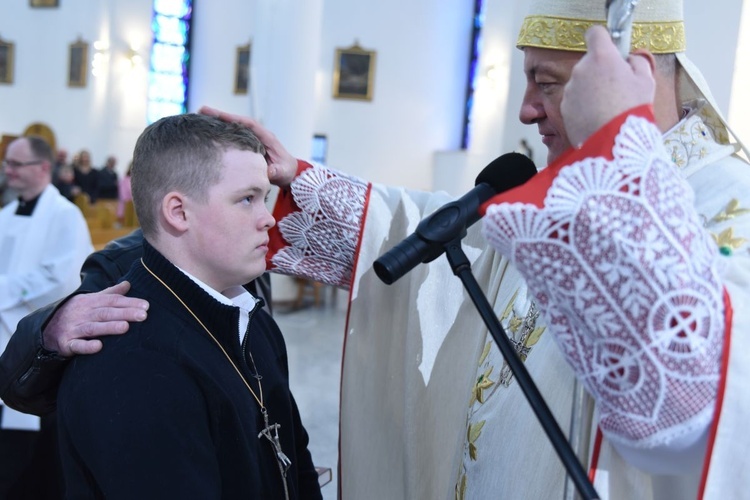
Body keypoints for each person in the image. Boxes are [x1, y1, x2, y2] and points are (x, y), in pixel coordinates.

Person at [2, 0, 749, 498]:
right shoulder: (566, 188)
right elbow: (432, 234)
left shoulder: (725, 210)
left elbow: (685, 404)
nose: (525, 109)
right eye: (248, 201)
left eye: (547, 84)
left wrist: (616, 146)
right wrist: (297, 186)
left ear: (632, 82)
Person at [56, 113, 320, 499]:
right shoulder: (133, 364)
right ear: (178, 212)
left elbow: (297, 461)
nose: (268, 219)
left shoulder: (256, 323)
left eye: (264, 198)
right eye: (246, 199)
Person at [0, 135, 92, 499]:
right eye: (6, 163)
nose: (8, 171)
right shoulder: (5, 214)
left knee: (29, 453)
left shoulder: (65, 216)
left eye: (15, 164)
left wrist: (2, 291)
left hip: (32, 340)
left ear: (42, 168)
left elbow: (64, 278)